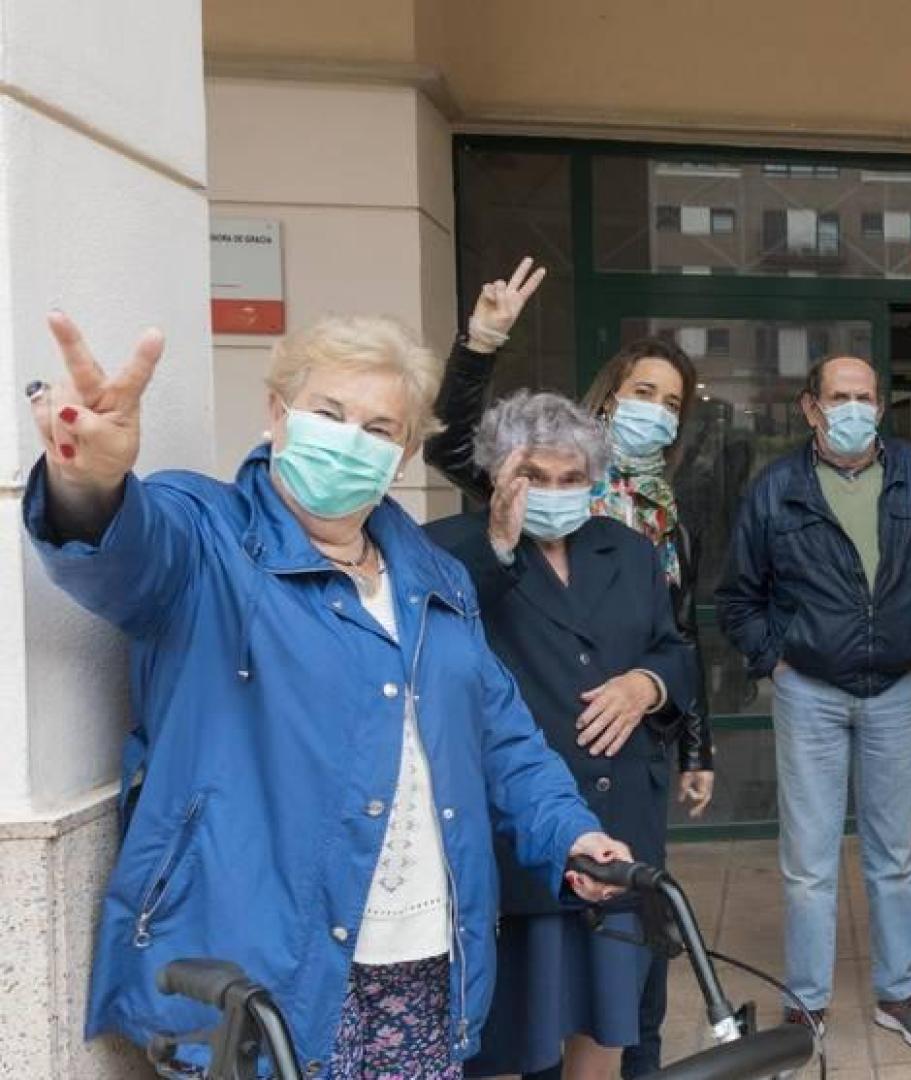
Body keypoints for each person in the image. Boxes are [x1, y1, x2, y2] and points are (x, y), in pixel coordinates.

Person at [20, 313, 631, 1079]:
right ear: (277, 412)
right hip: (259, 958)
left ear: (404, 453)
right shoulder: (209, 539)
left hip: (421, 952)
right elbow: (124, 559)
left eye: (380, 427)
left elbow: (502, 738)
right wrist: (91, 484)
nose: (351, 440)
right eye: (329, 414)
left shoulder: (433, 579)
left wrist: (571, 833)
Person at [421, 259, 713, 1078]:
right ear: (499, 473)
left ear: (594, 478)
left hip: (622, 824)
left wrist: (648, 685)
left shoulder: (628, 544)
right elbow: (447, 645)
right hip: (517, 841)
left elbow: (676, 647)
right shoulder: (454, 551)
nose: (552, 490)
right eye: (533, 477)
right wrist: (504, 544)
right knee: (510, 1036)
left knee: (612, 1023)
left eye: (570, 478)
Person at [714, 354, 911, 1050]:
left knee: (893, 854)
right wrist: (780, 658)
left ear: (881, 406)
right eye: (838, 397)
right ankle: (805, 1004)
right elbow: (739, 597)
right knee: (808, 859)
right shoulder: (777, 489)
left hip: (899, 689)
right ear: (811, 407)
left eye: (864, 397)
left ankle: (900, 991)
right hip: (812, 693)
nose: (852, 408)